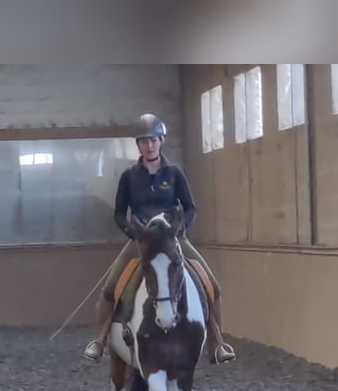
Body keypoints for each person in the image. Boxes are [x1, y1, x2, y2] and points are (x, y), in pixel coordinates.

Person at [83, 113, 236, 365]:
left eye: (153, 140)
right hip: (141, 242)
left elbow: (190, 208)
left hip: (173, 239)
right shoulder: (129, 177)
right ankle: (99, 340)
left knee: (211, 286)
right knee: (110, 288)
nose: (149, 145)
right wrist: (133, 232)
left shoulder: (174, 174)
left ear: (161, 141)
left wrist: (180, 228)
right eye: (144, 141)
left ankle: (217, 342)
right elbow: (120, 213)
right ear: (139, 145)